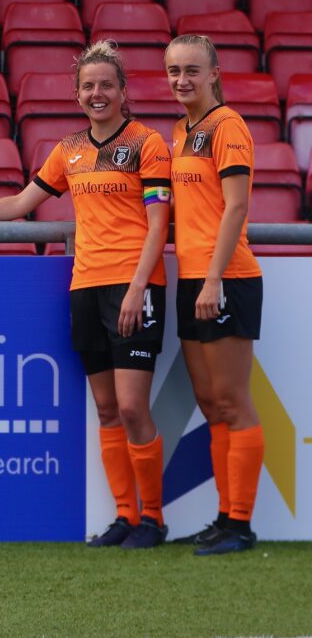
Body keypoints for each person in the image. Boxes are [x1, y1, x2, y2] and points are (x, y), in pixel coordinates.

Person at [0, 41, 173, 548]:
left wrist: (137, 285)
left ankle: (154, 521)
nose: (97, 93)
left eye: (106, 85)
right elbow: (21, 204)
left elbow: (159, 223)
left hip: (133, 286)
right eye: (88, 86)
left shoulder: (148, 144)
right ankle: (124, 517)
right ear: (78, 95)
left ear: (123, 91)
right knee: (104, 408)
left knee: (133, 407)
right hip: (84, 285)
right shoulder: (69, 149)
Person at [164, 35, 263, 555]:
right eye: (174, 71)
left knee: (232, 401)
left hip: (225, 280)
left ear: (215, 73)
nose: (182, 80)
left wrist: (213, 279)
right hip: (193, 280)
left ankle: (241, 526)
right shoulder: (180, 131)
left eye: (192, 71)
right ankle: (225, 517)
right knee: (209, 403)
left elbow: (236, 208)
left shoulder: (229, 126)